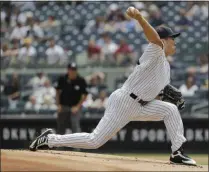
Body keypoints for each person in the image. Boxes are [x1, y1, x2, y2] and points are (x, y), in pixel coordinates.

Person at [29, 7, 196, 166]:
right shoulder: (155, 51)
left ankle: (177, 153)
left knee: (170, 110)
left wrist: (167, 96)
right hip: (125, 102)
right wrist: (139, 18)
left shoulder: (166, 68)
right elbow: (153, 38)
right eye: (172, 38)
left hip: (142, 104)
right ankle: (50, 139)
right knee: (94, 141)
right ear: (163, 40)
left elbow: (157, 92)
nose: (174, 41)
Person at [55, 63, 87, 136]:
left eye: (74, 69)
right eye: (71, 69)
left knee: (75, 126)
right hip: (63, 106)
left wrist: (78, 107)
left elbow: (85, 95)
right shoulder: (62, 78)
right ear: (68, 70)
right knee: (60, 128)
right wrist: (58, 105)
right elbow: (57, 92)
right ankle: (59, 146)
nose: (73, 71)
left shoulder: (81, 80)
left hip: (75, 107)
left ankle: (76, 147)